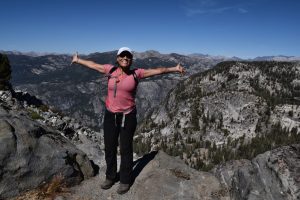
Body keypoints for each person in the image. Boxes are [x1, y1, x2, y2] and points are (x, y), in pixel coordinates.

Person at [71, 47, 185, 194]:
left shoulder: (137, 74)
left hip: (128, 116)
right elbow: (94, 65)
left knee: (126, 148)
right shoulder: (110, 70)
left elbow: (159, 70)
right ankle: (110, 177)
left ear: (131, 59)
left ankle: (125, 180)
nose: (125, 58)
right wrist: (78, 60)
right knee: (110, 147)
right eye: (122, 56)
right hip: (110, 115)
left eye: (128, 56)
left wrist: (174, 69)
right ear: (117, 58)